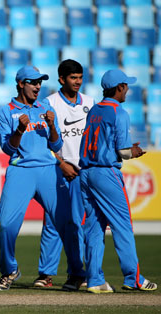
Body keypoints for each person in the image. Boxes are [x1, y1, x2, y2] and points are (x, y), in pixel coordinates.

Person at [0, 65, 85, 291]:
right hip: (21, 170)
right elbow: (7, 148)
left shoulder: (45, 106)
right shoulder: (6, 111)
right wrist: (19, 130)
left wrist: (53, 125)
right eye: (33, 82)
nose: (37, 86)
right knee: (5, 225)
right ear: (20, 84)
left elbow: (56, 144)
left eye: (40, 83)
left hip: (48, 168)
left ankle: (76, 274)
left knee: (67, 223)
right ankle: (10, 270)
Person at [79, 69, 158, 293]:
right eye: (126, 85)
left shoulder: (94, 109)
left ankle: (94, 280)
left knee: (94, 227)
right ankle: (133, 278)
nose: (128, 90)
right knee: (122, 225)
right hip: (106, 173)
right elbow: (122, 152)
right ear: (119, 88)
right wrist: (134, 151)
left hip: (86, 172)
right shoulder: (119, 112)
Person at [34, 60, 95, 289]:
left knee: (78, 223)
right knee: (52, 221)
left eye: (80, 77)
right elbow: (41, 142)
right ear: (62, 79)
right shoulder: (48, 104)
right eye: (73, 78)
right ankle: (46, 274)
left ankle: (77, 273)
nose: (77, 82)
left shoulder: (90, 102)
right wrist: (60, 163)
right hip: (57, 170)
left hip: (83, 172)